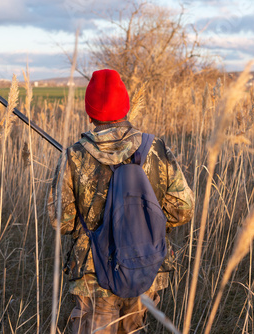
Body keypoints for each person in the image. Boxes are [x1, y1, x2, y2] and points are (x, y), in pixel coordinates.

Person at [48, 69, 194, 333]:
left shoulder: (74, 155)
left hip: (94, 275)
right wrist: (146, 227)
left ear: (90, 112)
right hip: (146, 266)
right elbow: (183, 209)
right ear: (126, 107)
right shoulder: (156, 148)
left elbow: (61, 220)